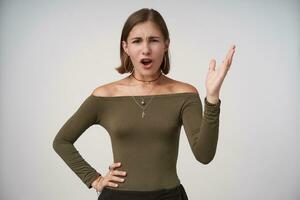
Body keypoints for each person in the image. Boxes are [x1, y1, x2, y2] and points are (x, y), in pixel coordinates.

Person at [52, 8, 236, 200]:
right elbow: (62, 141)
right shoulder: (105, 96)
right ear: (126, 47)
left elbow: (204, 155)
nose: (146, 49)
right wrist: (95, 179)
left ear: (166, 45)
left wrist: (212, 98)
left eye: (154, 40)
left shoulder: (185, 94)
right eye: (137, 41)